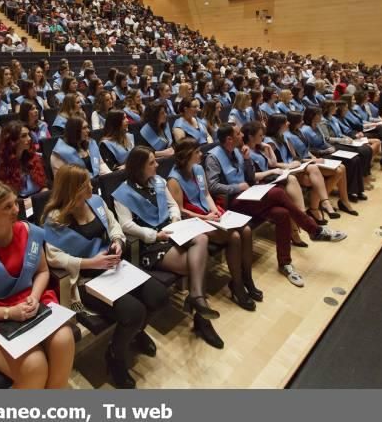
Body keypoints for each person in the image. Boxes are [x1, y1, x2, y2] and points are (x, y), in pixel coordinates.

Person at [43, 164, 167, 389]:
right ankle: (115, 355)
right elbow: (54, 258)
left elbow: (115, 227)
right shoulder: (55, 219)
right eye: (85, 184)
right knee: (134, 311)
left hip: (113, 268)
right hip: (85, 280)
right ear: (72, 189)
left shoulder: (96, 203)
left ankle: (135, 333)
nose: (91, 185)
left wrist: (118, 242)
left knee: (159, 296)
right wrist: (90, 262)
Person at [0, 181, 74, 388]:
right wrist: (10, 313)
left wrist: (35, 297)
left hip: (30, 302)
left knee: (64, 340)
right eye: (7, 207)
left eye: (15, 203)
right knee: (34, 365)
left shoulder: (29, 233)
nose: (16, 210)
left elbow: (42, 272)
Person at [205, 124, 346, 287]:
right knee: (278, 193)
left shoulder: (239, 151)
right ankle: (313, 229)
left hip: (248, 196)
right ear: (229, 139)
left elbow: (250, 178)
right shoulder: (212, 157)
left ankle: (285, 263)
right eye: (238, 134)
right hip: (231, 203)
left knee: (282, 214)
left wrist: (247, 159)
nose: (242, 135)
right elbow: (213, 186)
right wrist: (236, 187)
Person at [113, 147, 223, 349]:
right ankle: (200, 312)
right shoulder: (122, 193)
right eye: (152, 163)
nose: (157, 165)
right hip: (148, 244)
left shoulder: (159, 182)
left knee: (202, 239)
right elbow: (126, 225)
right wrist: (155, 234)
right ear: (139, 167)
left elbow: (173, 206)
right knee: (195, 264)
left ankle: (197, 298)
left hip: (170, 232)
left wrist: (173, 220)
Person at [166, 138, 259, 311]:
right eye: (197, 152)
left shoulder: (198, 169)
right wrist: (207, 218)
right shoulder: (173, 179)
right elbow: (180, 211)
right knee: (235, 236)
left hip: (209, 214)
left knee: (246, 230)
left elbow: (206, 194)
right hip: (194, 221)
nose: (201, 154)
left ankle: (247, 278)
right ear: (187, 155)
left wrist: (214, 210)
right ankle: (237, 285)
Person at [285, 112, 358, 216]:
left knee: (342, 167)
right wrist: (312, 160)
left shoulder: (299, 131)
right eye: (300, 120)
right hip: (302, 165)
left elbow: (307, 149)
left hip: (310, 161)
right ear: (293, 122)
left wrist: (314, 157)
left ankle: (343, 200)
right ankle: (318, 204)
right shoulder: (287, 136)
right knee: (339, 170)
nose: (302, 122)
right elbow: (294, 157)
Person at [301, 107, 367, 202]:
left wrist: (332, 148)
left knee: (355, 158)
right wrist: (325, 151)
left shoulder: (318, 125)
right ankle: (351, 192)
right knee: (350, 161)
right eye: (319, 115)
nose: (321, 117)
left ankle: (357, 190)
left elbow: (324, 141)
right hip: (320, 155)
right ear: (312, 116)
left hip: (329, 151)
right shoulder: (305, 130)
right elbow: (308, 149)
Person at [0, 121, 47, 200]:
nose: (29, 138)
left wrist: (44, 192)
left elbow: (45, 185)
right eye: (24, 136)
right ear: (12, 141)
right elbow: (3, 198)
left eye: (29, 134)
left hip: (40, 200)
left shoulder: (37, 157)